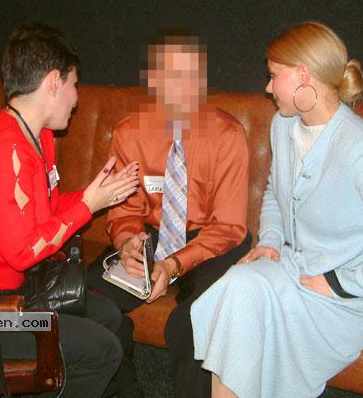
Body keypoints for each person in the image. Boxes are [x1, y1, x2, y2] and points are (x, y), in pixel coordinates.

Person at [190, 21, 363, 398]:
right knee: (238, 286)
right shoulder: (283, 125)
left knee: (244, 300)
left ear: (303, 74)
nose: (268, 88)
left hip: (347, 302)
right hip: (295, 270)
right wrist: (270, 242)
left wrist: (340, 283)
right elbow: (275, 193)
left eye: (273, 76)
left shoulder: (361, 150)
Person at [0, 24, 141, 398]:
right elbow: (23, 251)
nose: (77, 98)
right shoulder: (3, 147)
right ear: (54, 82)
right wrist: (88, 206)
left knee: (110, 318)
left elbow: (48, 210)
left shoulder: (38, 137)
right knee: (101, 351)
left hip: (10, 292)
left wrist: (96, 196)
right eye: (74, 84)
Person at [87, 31, 252, 398]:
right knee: (89, 301)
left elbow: (228, 226)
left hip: (213, 239)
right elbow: (125, 211)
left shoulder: (227, 135)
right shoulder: (130, 133)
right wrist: (128, 243)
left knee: (194, 320)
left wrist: (173, 265)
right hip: (153, 232)